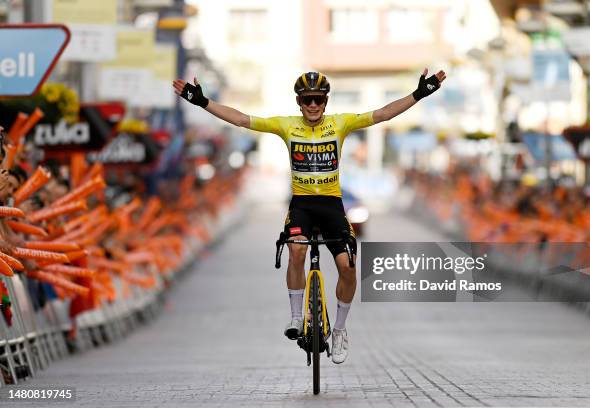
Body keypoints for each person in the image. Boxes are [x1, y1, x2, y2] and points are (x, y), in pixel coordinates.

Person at [173, 69, 446, 363]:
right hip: (302, 205)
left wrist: (418, 95)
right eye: (307, 100)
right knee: (297, 251)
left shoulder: (340, 124)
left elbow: (382, 114)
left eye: (318, 99)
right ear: (299, 102)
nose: (313, 105)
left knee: (348, 267)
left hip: (332, 206)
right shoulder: (286, 126)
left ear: (326, 102)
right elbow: (241, 119)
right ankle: (294, 317)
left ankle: (339, 330)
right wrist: (202, 102)